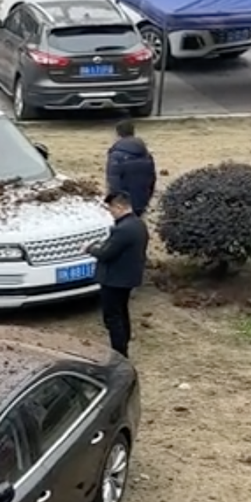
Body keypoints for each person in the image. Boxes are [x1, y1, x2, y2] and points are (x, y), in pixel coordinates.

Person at [86, 192, 148, 358]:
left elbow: (106, 253)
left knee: (113, 317)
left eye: (111, 209)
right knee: (122, 312)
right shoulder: (138, 224)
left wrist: (90, 248)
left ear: (119, 207)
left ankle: (119, 353)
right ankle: (123, 344)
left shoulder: (122, 230)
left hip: (114, 280)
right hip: (127, 278)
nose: (111, 213)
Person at [105, 119, 158, 215]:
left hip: (124, 204)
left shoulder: (116, 155)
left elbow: (113, 181)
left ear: (118, 134)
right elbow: (152, 178)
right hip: (142, 200)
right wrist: (147, 198)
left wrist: (115, 201)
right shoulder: (146, 153)